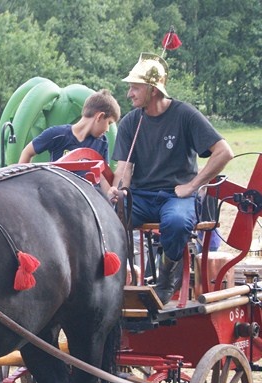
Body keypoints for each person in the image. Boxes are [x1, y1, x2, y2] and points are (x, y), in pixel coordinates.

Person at [107, 53, 234, 304]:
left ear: (153, 90)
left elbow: (224, 152)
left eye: (135, 87)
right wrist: (117, 190)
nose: (129, 93)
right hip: (141, 197)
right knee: (106, 217)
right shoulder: (131, 122)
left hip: (175, 196)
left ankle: (166, 278)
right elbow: (124, 168)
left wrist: (193, 185)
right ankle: (114, 282)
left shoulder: (185, 115)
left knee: (176, 223)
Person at [18, 89, 120, 192]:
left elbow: (103, 177)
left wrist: (110, 196)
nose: (107, 130)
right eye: (109, 123)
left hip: (87, 198)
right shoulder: (57, 134)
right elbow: (27, 152)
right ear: (100, 116)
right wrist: (23, 186)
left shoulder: (102, 142)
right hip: (59, 195)